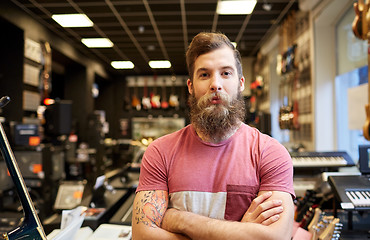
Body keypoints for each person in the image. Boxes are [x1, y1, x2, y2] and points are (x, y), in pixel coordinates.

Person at [132, 32, 295, 240]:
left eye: (226, 73)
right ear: (190, 86)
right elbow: (143, 236)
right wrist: (240, 233)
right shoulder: (160, 152)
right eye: (204, 74)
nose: (215, 84)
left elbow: (275, 238)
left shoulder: (270, 153)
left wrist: (181, 220)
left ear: (241, 83)